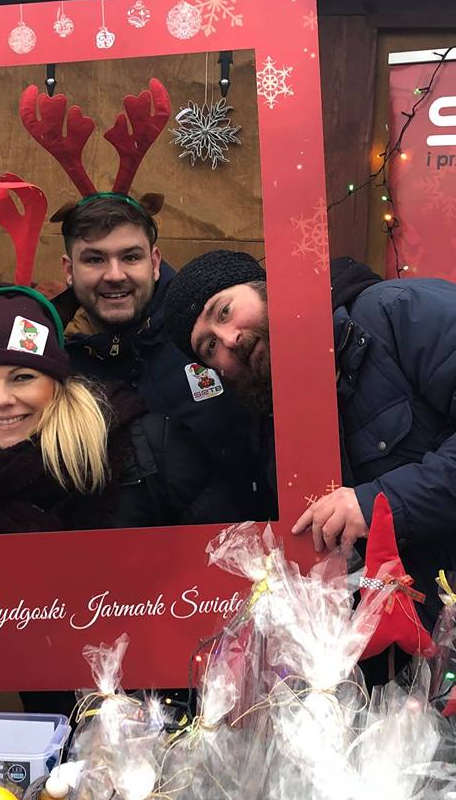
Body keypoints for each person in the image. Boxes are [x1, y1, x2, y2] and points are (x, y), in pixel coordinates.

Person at [163, 249, 456, 629]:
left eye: (224, 311)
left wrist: (379, 504)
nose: (229, 339)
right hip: (411, 638)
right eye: (210, 347)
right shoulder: (272, 429)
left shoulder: (397, 312)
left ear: (264, 287)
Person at [53, 195, 274, 522]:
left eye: (130, 257)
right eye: (95, 259)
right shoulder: (56, 365)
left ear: (154, 262)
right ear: (69, 270)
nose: (114, 274)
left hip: (258, 541)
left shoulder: (209, 337)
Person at [0, 284, 219, 537]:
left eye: (22, 377)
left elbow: (224, 556)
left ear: (57, 383)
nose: (1, 399)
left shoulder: (149, 447)